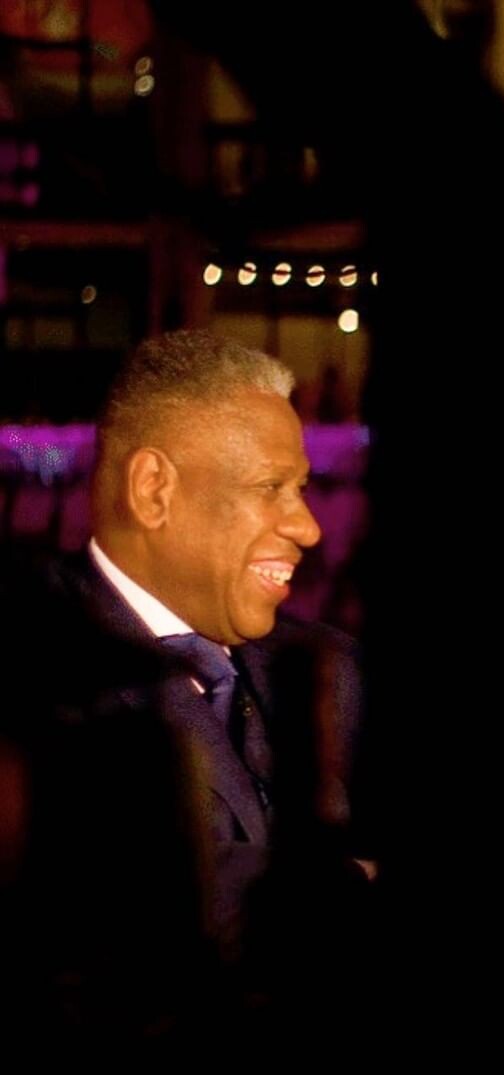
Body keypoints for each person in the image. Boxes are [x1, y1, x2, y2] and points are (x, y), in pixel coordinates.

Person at [1, 330, 370, 1044]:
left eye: (301, 489)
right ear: (154, 490)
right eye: (271, 488)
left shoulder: (336, 668)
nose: (308, 527)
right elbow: (137, 903)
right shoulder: (34, 670)